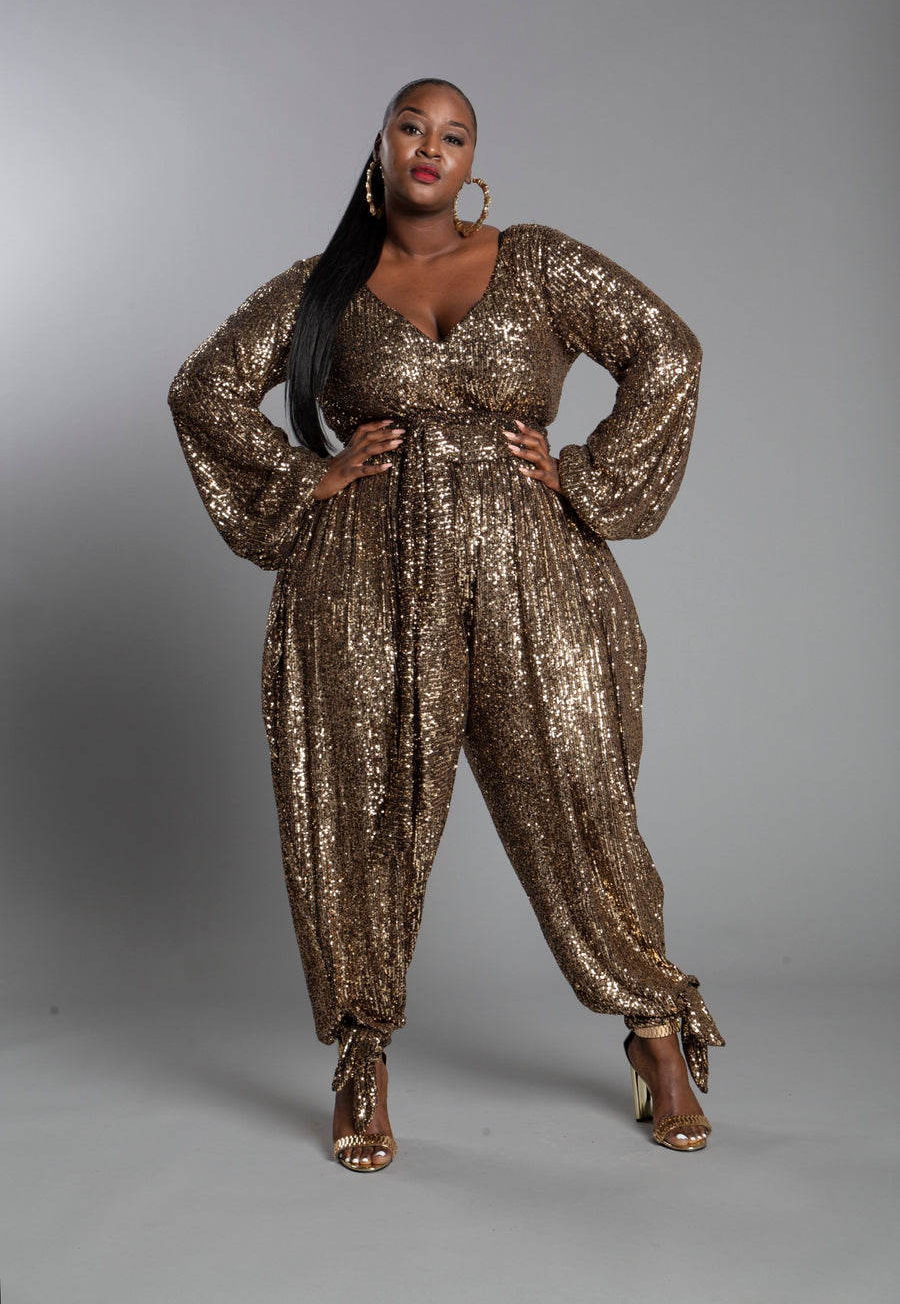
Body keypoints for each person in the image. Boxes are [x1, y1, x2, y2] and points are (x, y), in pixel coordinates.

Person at [168, 76, 724, 1172]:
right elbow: (204, 388)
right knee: (362, 811)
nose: (432, 147)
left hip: (533, 572)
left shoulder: (542, 261)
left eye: (455, 134)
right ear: (382, 144)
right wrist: (311, 478)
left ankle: (656, 1031)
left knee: (581, 793)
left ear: (474, 162)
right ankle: (361, 1056)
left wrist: (584, 476)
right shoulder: (325, 285)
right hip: (366, 581)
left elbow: (670, 349)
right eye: (413, 127)